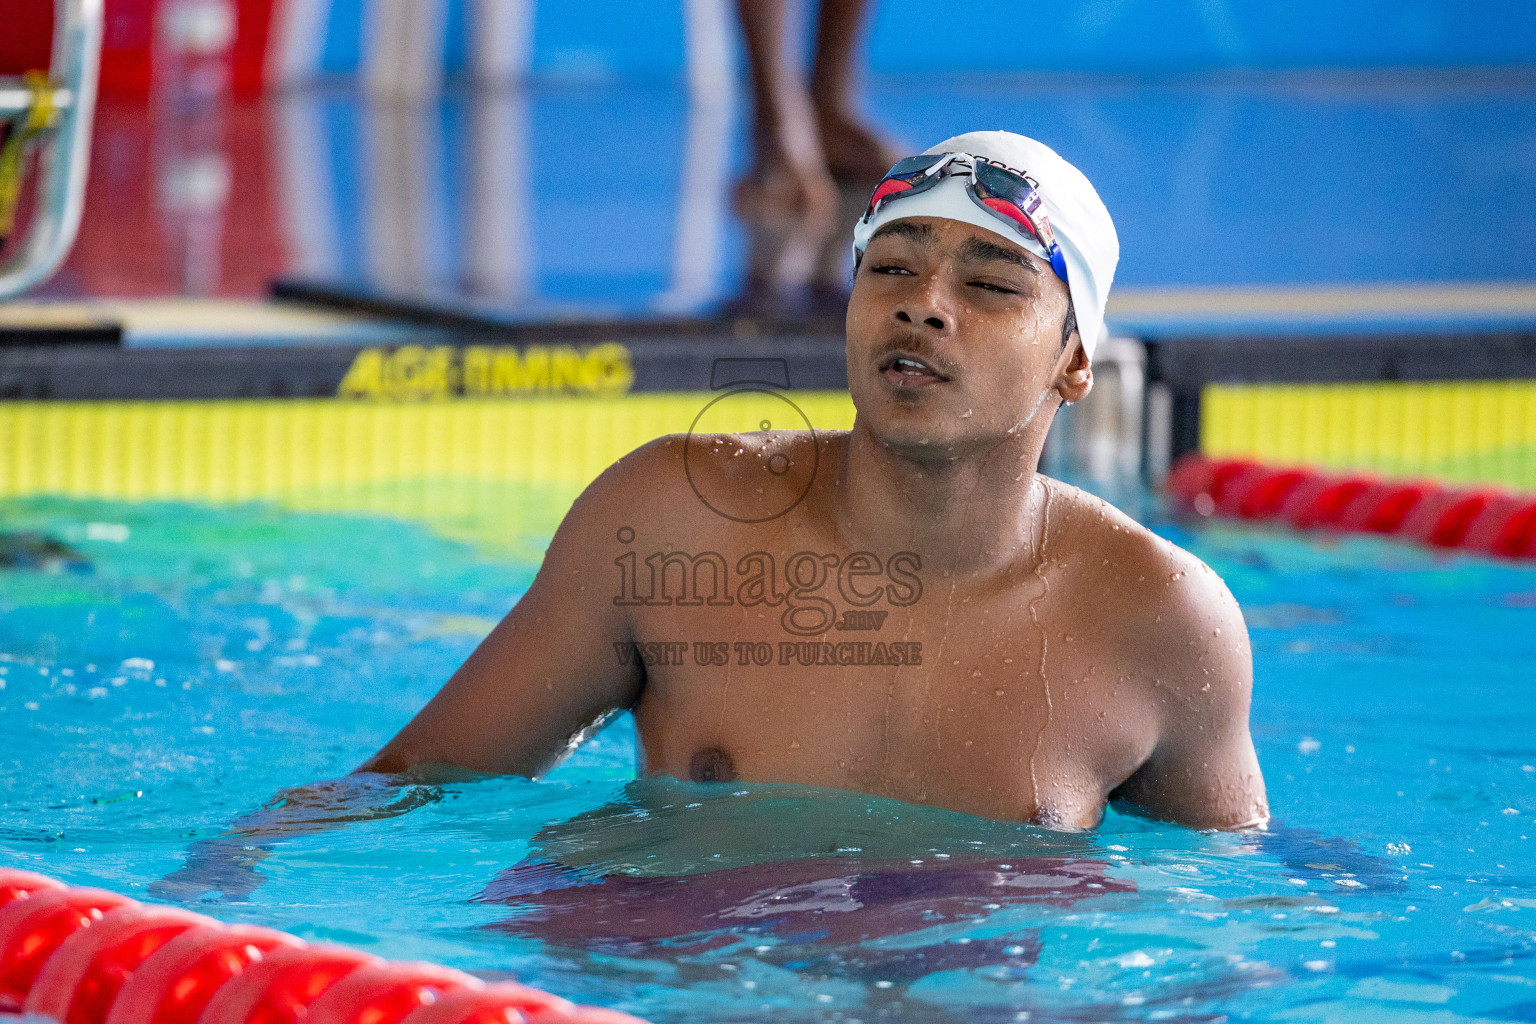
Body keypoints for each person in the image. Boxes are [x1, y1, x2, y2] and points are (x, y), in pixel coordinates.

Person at [360, 131, 1269, 833]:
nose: (925, 304)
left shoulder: (1163, 619)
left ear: (1075, 361)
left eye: (991, 285)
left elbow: (1229, 912)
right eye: (892, 268)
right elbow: (409, 790)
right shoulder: (675, 521)